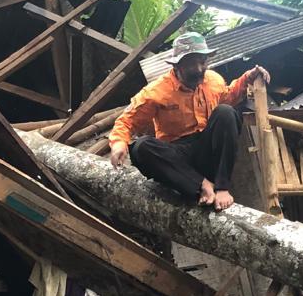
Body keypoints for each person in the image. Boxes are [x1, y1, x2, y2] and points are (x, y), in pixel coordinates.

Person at [108, 31, 269, 212]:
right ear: (178, 66)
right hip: (178, 159)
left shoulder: (213, 80)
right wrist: (118, 143)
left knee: (226, 113)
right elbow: (128, 120)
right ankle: (202, 185)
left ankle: (222, 187)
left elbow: (228, 97)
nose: (199, 69)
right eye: (192, 64)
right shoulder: (157, 91)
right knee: (141, 147)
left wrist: (248, 77)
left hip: (207, 150)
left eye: (202, 62)